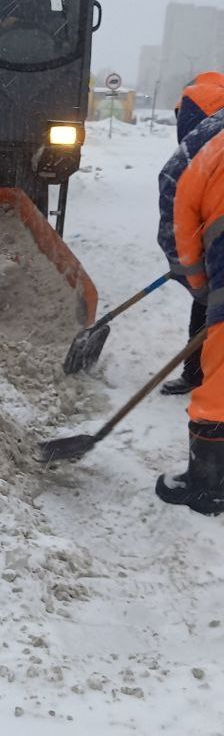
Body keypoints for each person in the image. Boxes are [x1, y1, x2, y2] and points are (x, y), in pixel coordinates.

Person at [156, 81, 224, 514]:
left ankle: (207, 485)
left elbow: (177, 234)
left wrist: (201, 288)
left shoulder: (195, 151)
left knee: (220, 376)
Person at [160, 72, 224, 395]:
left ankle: (205, 386)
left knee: (211, 301)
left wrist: (190, 271)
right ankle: (197, 373)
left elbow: (173, 218)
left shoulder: (198, 148)